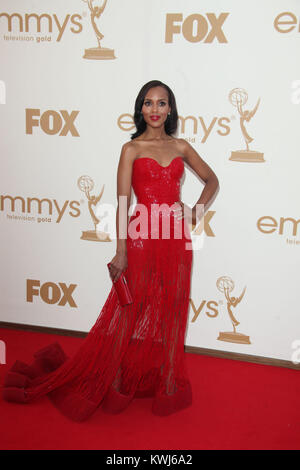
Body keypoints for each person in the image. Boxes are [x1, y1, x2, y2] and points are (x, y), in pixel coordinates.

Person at [2, 80, 219, 422]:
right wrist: (121, 251)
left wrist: (194, 211)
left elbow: (212, 180)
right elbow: (122, 203)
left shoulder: (181, 147)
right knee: (129, 311)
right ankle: (115, 378)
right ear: (140, 109)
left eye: (162, 103)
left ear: (170, 109)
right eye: (148, 103)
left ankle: (167, 380)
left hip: (176, 239)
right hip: (142, 238)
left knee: (173, 310)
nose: (155, 110)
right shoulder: (131, 149)